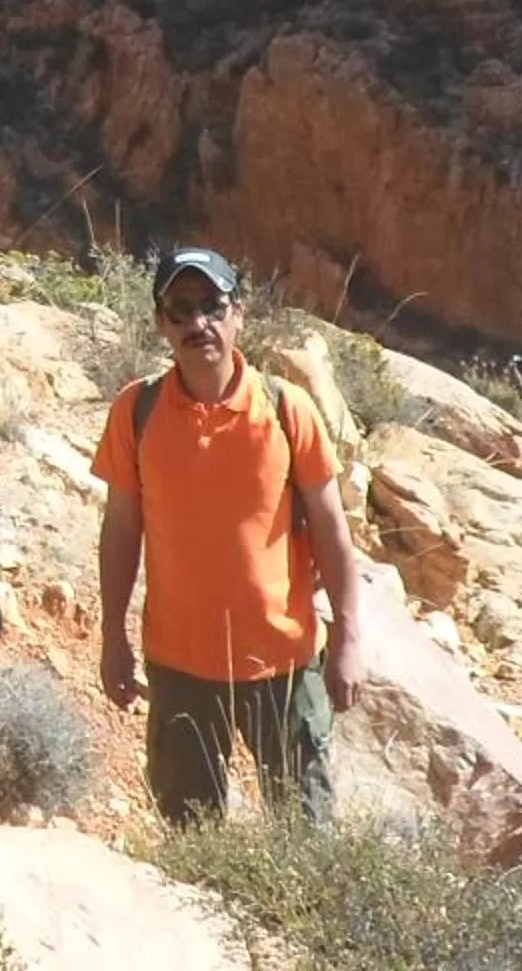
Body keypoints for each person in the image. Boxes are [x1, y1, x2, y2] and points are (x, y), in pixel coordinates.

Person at [93, 245, 363, 826]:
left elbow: (332, 530)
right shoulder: (135, 412)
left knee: (306, 837)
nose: (199, 324)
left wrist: (347, 638)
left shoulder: (288, 410)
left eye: (213, 305)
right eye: (181, 309)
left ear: (238, 312)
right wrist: (112, 634)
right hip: (180, 665)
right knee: (190, 838)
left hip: (283, 664)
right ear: (162, 322)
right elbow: (120, 531)